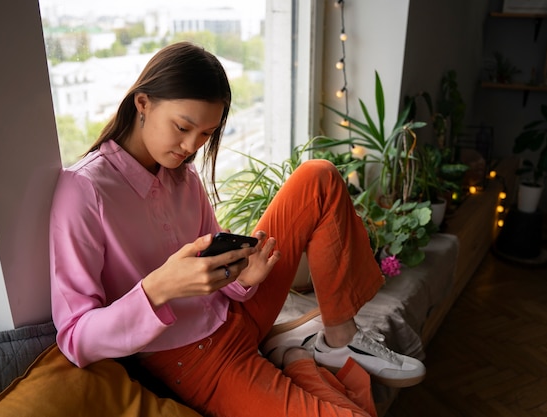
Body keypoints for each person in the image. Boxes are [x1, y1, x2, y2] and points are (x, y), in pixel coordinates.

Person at [49, 41, 425, 417]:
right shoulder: (83, 191)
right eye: (183, 127)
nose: (190, 146)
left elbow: (216, 262)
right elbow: (74, 336)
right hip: (195, 358)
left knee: (317, 176)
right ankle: (294, 356)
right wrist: (157, 288)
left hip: (237, 312)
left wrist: (244, 277)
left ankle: (339, 339)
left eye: (205, 134)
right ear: (143, 103)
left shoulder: (183, 175)